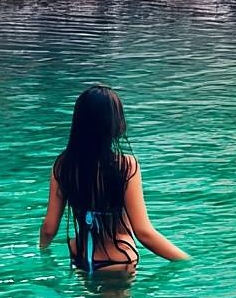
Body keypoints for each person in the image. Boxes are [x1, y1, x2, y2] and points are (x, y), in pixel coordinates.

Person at [38, 85, 190, 274]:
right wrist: (186, 261)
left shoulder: (63, 166)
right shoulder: (125, 166)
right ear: (114, 123)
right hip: (118, 258)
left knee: (89, 294)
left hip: (81, 257)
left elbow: (49, 228)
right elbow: (143, 232)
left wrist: (42, 253)